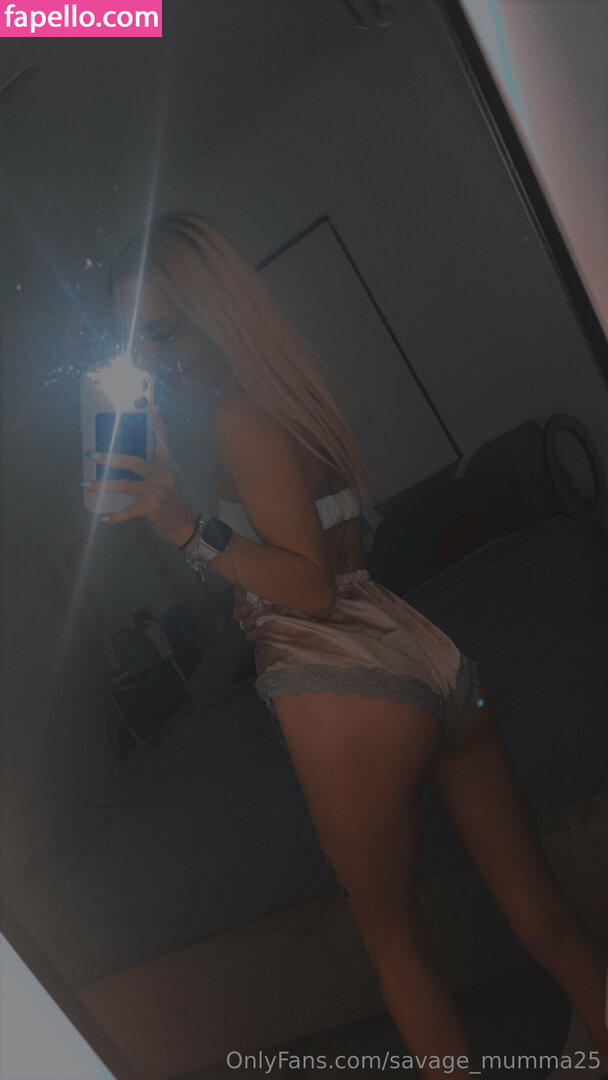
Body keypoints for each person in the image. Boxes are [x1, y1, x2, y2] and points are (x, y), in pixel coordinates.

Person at [91, 211, 607, 1077]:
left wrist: (185, 529)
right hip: (426, 655)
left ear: (214, 310)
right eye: (135, 339)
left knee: (397, 948)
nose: (152, 356)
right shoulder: (293, 393)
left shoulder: (237, 419)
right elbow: (331, 554)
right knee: (546, 917)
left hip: (338, 689)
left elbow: (308, 589)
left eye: (164, 330)